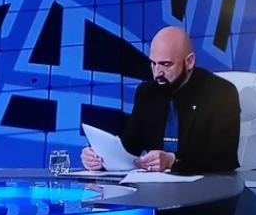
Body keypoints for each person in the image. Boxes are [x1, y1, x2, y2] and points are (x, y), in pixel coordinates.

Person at [81, 26, 240, 174]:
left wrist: (172, 160)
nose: (158, 72)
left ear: (189, 61)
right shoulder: (147, 92)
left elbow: (224, 157)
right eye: (153, 63)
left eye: (166, 64)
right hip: (155, 188)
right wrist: (100, 158)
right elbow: (130, 146)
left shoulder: (221, 93)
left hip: (206, 189)